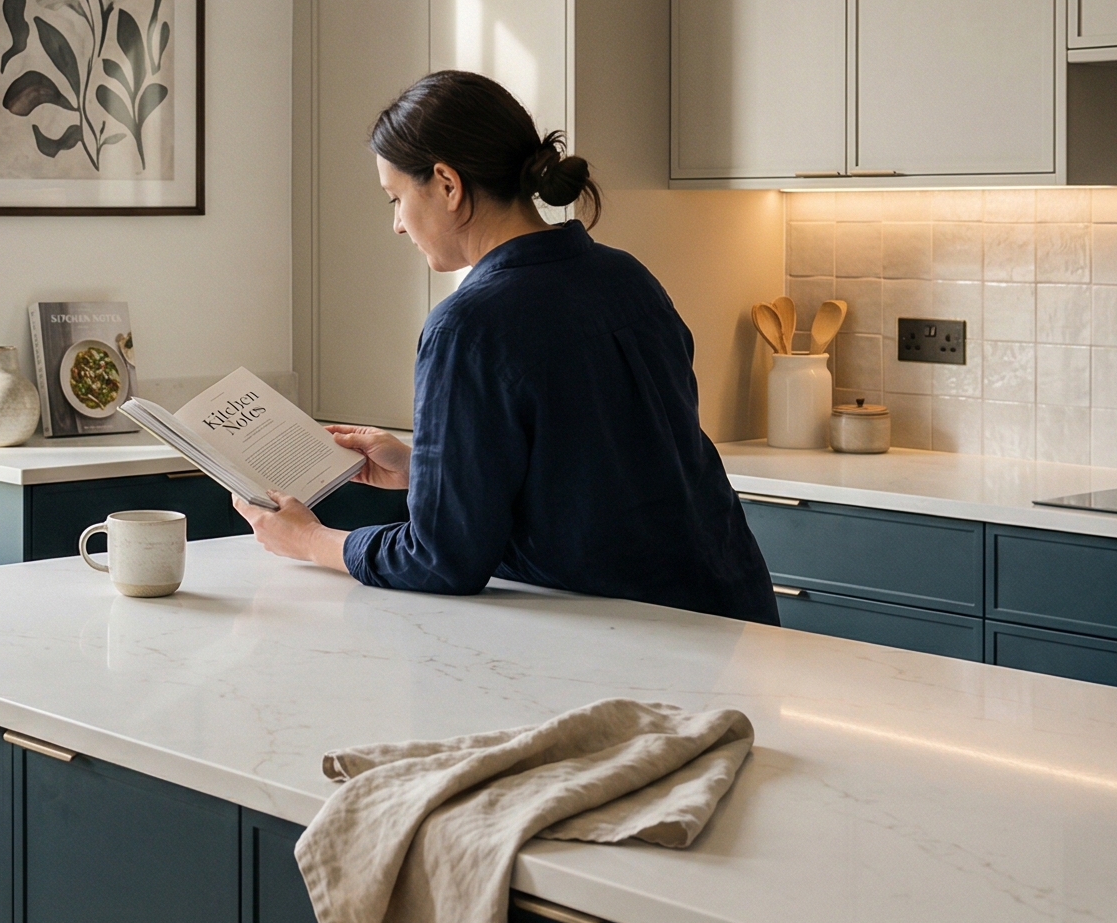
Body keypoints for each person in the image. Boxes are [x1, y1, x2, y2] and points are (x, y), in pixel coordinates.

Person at [236, 69, 777, 624]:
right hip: (729, 614)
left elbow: (442, 561)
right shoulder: (626, 276)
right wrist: (428, 468)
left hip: (632, 644)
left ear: (447, 185)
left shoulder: (466, 326)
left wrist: (308, 540)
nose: (398, 224)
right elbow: (609, 468)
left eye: (396, 198)